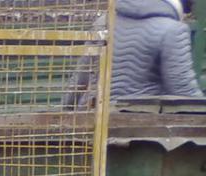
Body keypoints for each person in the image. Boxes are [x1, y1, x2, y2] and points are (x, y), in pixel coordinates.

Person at [65, 0, 203, 108]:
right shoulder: (172, 30)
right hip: (139, 124)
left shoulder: (103, 22)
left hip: (93, 122)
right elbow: (183, 91)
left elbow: (80, 79)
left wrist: (62, 114)